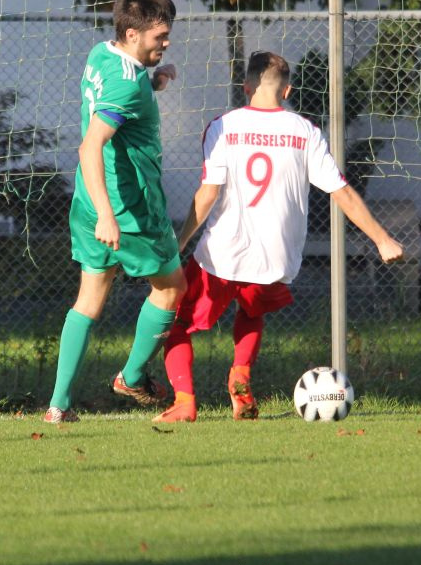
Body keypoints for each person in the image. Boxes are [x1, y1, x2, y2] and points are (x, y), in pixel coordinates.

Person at [154, 51, 405, 423]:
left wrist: (180, 241)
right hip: (276, 257)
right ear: (287, 91)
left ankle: (185, 401)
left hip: (222, 253)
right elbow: (341, 192)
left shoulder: (223, 126)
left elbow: (208, 193)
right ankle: (240, 376)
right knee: (252, 312)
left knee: (175, 321)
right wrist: (382, 239)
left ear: (246, 87)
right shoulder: (306, 131)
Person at [44, 0, 187, 423]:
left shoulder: (101, 54)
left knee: (89, 300)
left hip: (89, 201)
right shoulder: (127, 84)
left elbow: (121, 90)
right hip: (128, 210)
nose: (166, 43)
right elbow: (91, 146)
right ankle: (132, 376)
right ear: (132, 34)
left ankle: (58, 406)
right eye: (160, 37)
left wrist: (154, 81)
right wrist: (109, 216)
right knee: (171, 288)